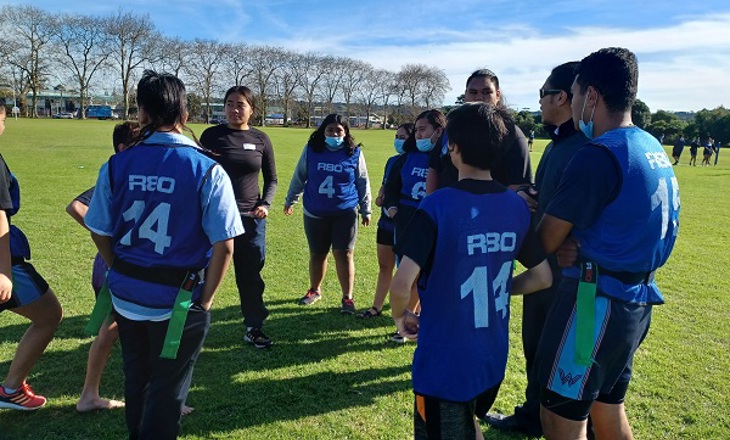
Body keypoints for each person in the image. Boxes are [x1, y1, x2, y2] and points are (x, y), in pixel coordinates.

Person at [85, 70, 243, 439]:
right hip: (179, 301)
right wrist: (207, 300)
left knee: (136, 377)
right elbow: (226, 244)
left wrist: (117, 267)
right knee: (167, 389)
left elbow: (98, 227)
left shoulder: (117, 163)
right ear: (184, 114)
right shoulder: (208, 168)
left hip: (126, 296)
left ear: (140, 113)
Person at [536, 47, 679, 440]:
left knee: (561, 420)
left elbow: (547, 236)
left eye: (577, 93)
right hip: (635, 301)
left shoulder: (599, 154)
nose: (574, 102)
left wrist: (564, 240)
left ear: (592, 96)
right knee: (608, 410)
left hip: (593, 303)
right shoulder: (651, 147)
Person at [390, 102, 552, 440]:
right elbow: (542, 277)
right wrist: (502, 288)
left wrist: (400, 317)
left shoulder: (436, 205)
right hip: (491, 357)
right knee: (469, 424)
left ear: (453, 147)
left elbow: (402, 282)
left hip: (444, 364)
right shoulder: (516, 206)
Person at [483, 61, 587, 438]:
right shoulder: (559, 143)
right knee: (536, 346)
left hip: (567, 276)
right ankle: (532, 413)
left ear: (562, 97)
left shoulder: (584, 148)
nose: (539, 102)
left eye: (543, 94)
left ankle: (567, 422)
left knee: (561, 355)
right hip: (544, 264)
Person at [67, 122, 138, 412]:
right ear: (123, 149)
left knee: (114, 330)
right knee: (114, 330)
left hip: (120, 265)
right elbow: (75, 206)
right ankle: (90, 396)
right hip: (115, 267)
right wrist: (107, 237)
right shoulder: (117, 176)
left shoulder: (133, 176)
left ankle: (91, 394)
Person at [200, 86, 277, 349]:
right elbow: (199, 173)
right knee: (201, 271)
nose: (234, 109)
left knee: (250, 275)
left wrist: (265, 204)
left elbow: (272, 179)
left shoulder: (261, 139)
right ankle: (193, 324)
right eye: (230, 103)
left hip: (249, 218)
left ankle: (254, 327)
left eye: (241, 104)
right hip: (215, 218)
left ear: (251, 109)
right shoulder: (211, 136)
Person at [0, 98, 63, 411]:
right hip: (5, 262)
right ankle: (11, 389)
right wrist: (4, 272)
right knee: (49, 314)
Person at [284, 113, 371, 314]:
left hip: (345, 212)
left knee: (345, 254)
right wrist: (291, 200)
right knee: (318, 253)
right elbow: (300, 176)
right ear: (323, 131)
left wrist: (366, 209)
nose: (334, 133)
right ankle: (314, 290)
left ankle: (347, 298)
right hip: (315, 211)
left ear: (346, 132)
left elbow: (362, 181)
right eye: (330, 130)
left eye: (339, 130)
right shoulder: (312, 150)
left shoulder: (354, 153)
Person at [425, 68, 533, 194]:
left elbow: (519, 184)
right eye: (473, 92)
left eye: (487, 92)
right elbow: (434, 168)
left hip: (488, 211)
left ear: (497, 95)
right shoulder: (451, 128)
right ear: (465, 95)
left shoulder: (512, 134)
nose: (479, 97)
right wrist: (430, 204)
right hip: (446, 209)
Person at [357, 123, 413, 321]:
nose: (399, 141)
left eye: (404, 137)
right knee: (385, 266)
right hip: (387, 223)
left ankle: (409, 313)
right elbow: (385, 187)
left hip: (408, 225)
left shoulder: (422, 163)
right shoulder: (392, 162)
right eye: (397, 136)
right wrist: (381, 198)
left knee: (409, 273)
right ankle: (376, 306)